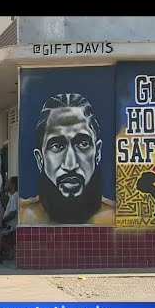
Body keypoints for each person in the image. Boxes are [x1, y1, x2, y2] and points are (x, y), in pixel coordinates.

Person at [19, 93, 114, 225]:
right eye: (57, 146)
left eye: (83, 144)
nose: (70, 165)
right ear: (40, 159)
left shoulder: (114, 216)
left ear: (97, 153)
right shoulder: (25, 216)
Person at [2, 176, 19, 259]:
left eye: (7, 182)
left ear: (13, 185)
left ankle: (10, 250)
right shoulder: (14, 196)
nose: (5, 184)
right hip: (10, 224)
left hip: (11, 225)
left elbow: (12, 214)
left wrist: (2, 221)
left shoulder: (14, 196)